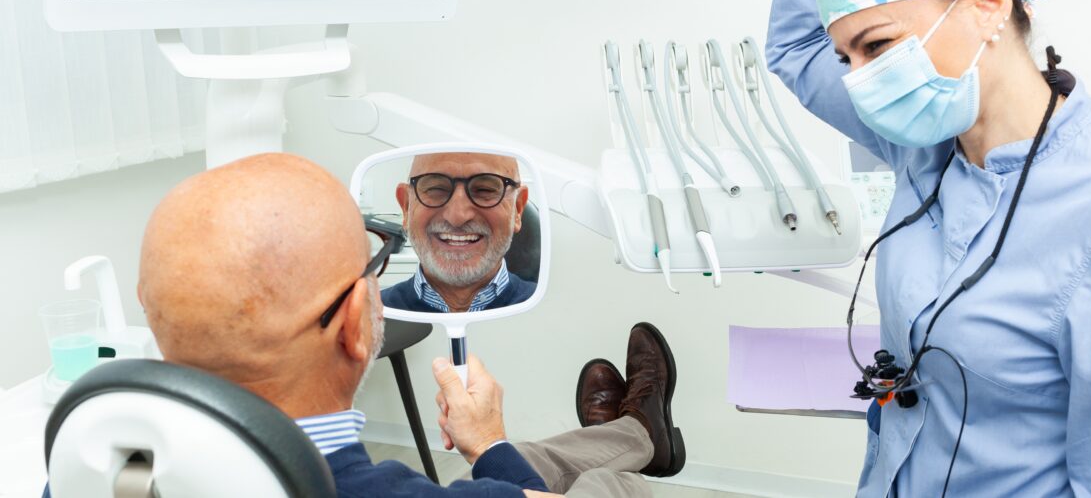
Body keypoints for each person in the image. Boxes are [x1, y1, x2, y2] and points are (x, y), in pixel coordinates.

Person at [768, 0, 1091, 495]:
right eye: (847, 59)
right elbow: (795, 45)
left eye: (878, 46)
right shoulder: (922, 142)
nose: (860, 84)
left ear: (987, 5)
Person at [128, 153, 684, 497]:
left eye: (485, 189)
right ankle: (635, 450)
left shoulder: (101, 469)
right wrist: (488, 441)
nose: (460, 212)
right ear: (355, 324)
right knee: (608, 483)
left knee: (531, 460)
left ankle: (638, 433)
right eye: (371, 264)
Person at [382, 153, 536, 313]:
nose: (457, 216)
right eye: (436, 189)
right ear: (406, 207)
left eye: (485, 190)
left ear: (517, 209)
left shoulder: (554, 314)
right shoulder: (365, 320)